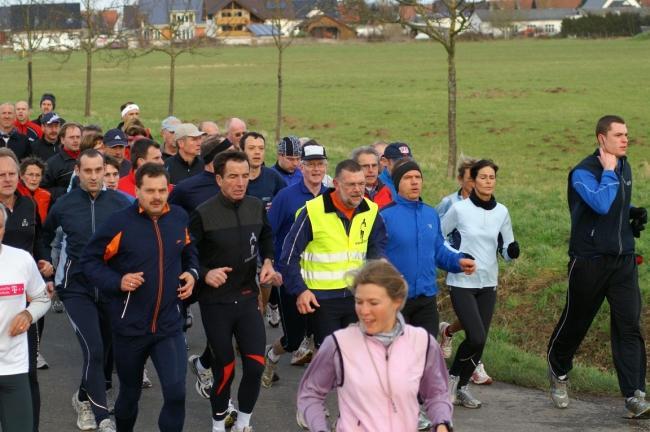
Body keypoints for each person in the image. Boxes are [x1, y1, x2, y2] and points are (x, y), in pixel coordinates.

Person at [81, 163, 199, 432]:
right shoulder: (119, 222)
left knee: (176, 393)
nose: (156, 197)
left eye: (161, 190)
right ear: (137, 191)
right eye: (149, 191)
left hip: (169, 325)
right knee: (130, 393)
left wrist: (192, 272)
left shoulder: (179, 217)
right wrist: (117, 281)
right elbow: (89, 261)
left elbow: (189, 249)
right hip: (130, 326)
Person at [547, 115, 650, 418]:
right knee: (577, 322)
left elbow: (615, 205)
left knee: (629, 326)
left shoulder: (624, 165)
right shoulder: (582, 172)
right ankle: (558, 368)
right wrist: (607, 171)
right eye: (618, 135)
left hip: (622, 261)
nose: (625, 139)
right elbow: (600, 203)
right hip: (589, 261)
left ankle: (634, 395)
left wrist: (632, 213)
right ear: (601, 139)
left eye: (626, 134)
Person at [296, 260, 452, 432]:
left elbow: (437, 393)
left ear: (397, 302)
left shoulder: (422, 342)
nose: (364, 311)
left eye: (373, 303)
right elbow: (311, 393)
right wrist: (319, 428)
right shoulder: (339, 344)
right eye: (359, 301)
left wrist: (442, 424)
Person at [42, 150, 131, 432]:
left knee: (107, 352)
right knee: (93, 348)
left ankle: (83, 396)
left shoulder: (120, 203)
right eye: (88, 171)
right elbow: (44, 236)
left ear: (105, 170)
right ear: (78, 171)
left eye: (98, 170)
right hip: (75, 288)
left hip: (109, 287)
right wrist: (44, 265)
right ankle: (101, 415)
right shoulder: (64, 205)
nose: (94, 176)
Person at [189, 151, 276, 432]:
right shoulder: (203, 213)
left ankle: (242, 423)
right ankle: (218, 425)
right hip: (216, 302)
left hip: (248, 297)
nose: (241, 182)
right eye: (233, 176)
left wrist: (268, 261)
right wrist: (204, 273)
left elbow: (265, 235)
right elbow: (186, 253)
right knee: (224, 369)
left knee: (255, 366)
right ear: (218, 179)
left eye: (245, 176)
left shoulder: (255, 206)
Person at [281, 159, 387, 348]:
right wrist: (301, 290)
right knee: (333, 354)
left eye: (361, 184)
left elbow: (376, 246)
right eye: (351, 184)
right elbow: (289, 256)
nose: (357, 189)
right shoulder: (312, 212)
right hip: (322, 299)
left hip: (356, 295)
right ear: (336, 184)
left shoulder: (370, 210)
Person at [441, 159, 518, 409]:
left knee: (481, 340)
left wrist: (511, 252)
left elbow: (506, 246)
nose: (488, 181)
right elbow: (439, 237)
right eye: (483, 177)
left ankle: (462, 387)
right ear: (473, 181)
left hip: (488, 281)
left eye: (492, 177)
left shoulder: (502, 212)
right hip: (462, 280)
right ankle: (451, 380)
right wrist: (456, 257)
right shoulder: (459, 209)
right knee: (475, 335)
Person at [262, 141, 329, 387]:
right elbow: (268, 231)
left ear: (325, 167)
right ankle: (271, 355)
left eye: (320, 164)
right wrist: (271, 265)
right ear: (301, 166)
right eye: (310, 164)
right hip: (289, 275)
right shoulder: (286, 197)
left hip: (322, 276)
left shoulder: (331, 197)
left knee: (324, 334)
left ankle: (316, 389)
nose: (315, 169)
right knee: (293, 338)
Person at [0, 149, 53, 431]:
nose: (8, 179)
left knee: (28, 373)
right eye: (1, 175)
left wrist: (44, 260)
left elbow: (40, 238)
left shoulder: (28, 205)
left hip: (27, 299)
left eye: (11, 174)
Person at [435, 156, 493, 386]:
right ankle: (471, 368)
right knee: (475, 328)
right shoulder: (449, 204)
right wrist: (453, 257)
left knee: (478, 321)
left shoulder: (489, 205)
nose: (477, 183)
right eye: (472, 178)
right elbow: (436, 235)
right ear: (461, 179)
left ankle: (448, 331)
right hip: (457, 270)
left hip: (485, 274)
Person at [42, 122, 83, 201]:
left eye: (78, 137)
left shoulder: (88, 159)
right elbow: (43, 188)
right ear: (62, 140)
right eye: (71, 137)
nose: (75, 140)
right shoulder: (52, 163)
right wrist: (65, 192)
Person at [374, 142, 412, 208]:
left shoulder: (412, 182)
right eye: (398, 162)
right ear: (385, 161)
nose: (404, 166)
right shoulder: (378, 186)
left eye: (407, 162)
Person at [18, 157, 51, 224]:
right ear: (21, 175)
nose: (34, 179)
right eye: (30, 174)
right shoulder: (13, 194)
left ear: (41, 178)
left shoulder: (47, 196)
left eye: (38, 175)